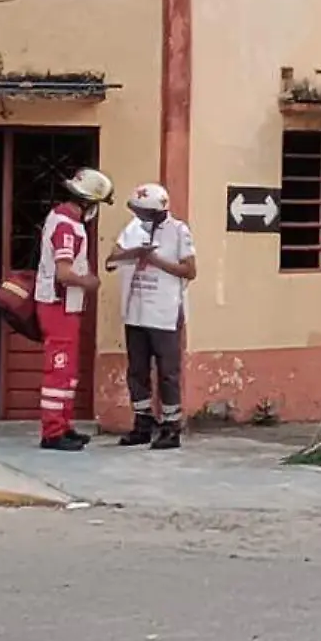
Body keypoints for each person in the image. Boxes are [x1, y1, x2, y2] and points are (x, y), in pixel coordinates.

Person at [105, 183, 197, 450]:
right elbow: (112, 260)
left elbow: (190, 270)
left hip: (165, 311)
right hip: (135, 309)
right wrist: (133, 254)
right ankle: (142, 423)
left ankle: (171, 426)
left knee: (168, 372)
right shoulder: (133, 228)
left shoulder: (179, 231)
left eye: (145, 211)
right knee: (137, 370)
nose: (141, 215)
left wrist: (156, 260)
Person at [33, 167, 115, 451]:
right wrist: (90, 282)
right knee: (58, 369)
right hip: (58, 305)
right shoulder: (67, 226)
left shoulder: (62, 220)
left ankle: (63, 425)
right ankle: (52, 432)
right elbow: (64, 274)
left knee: (66, 370)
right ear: (87, 202)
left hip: (66, 306)